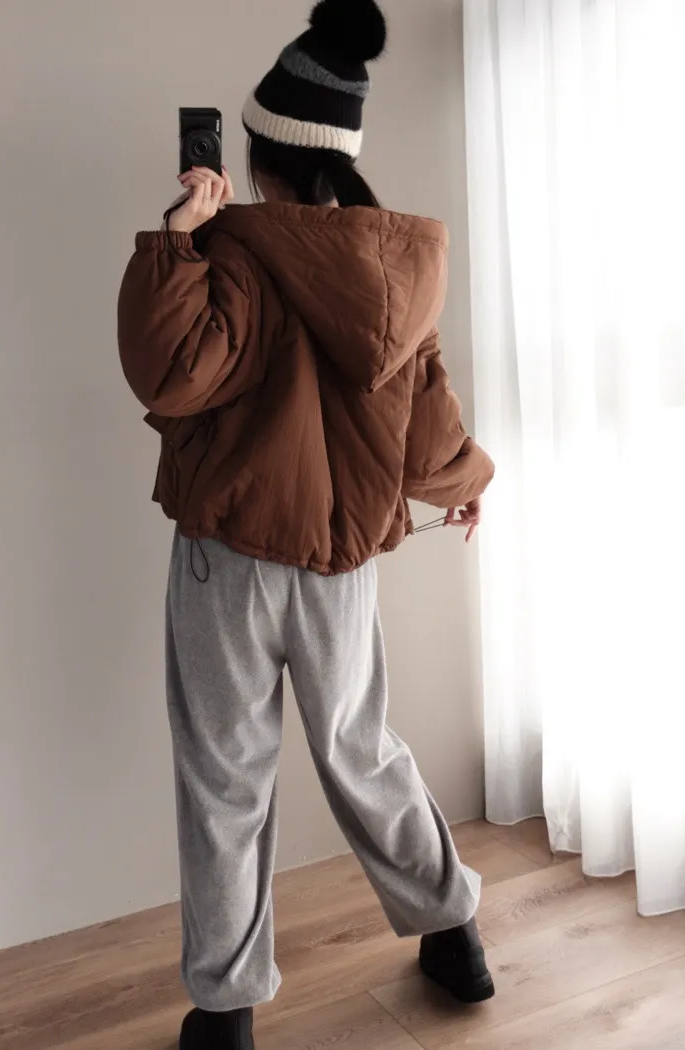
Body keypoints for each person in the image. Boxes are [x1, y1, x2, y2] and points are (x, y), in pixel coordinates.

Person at [118, 2, 495, 1048]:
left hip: (229, 559)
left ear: (259, 153)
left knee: (225, 777)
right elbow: (428, 434)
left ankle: (227, 1010)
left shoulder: (231, 256)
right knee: (363, 751)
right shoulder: (398, 274)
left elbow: (169, 373)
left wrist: (177, 240)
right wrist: (468, 482)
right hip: (340, 567)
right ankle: (455, 935)